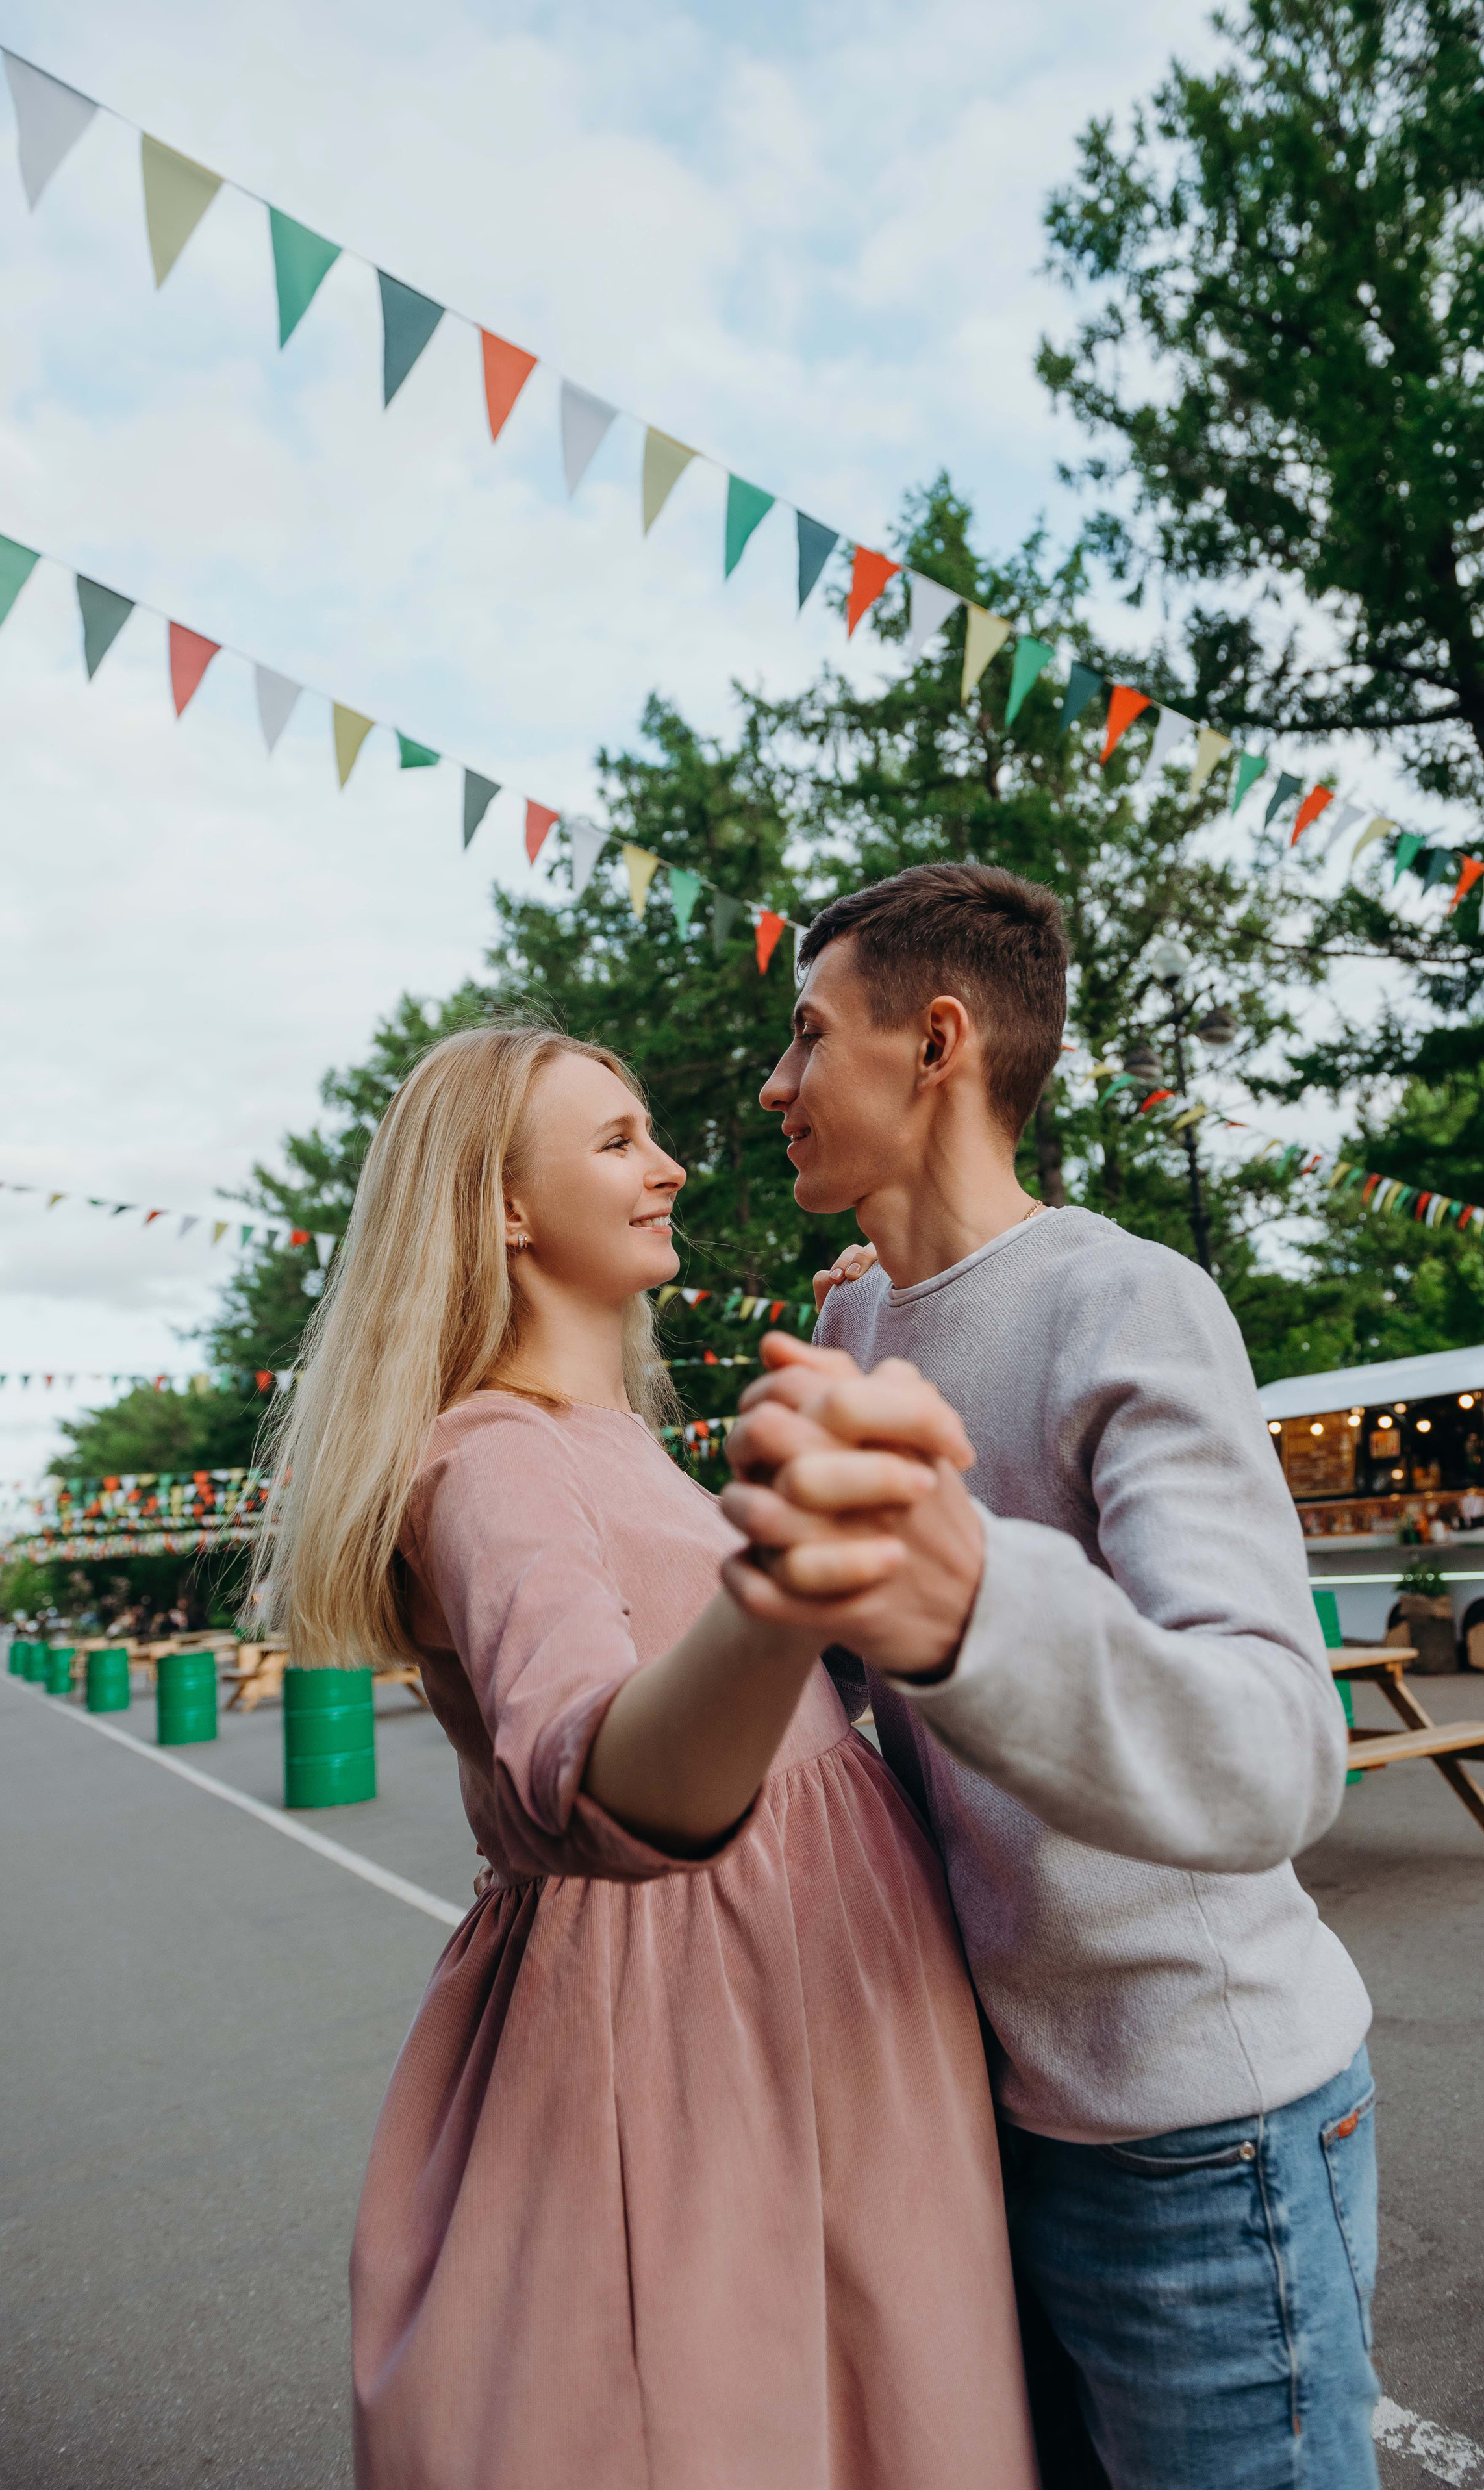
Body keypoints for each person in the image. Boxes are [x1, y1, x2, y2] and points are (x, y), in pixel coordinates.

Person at [253, 1022, 1038, 2490]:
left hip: (819, 2012)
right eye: (615, 1141)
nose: (669, 1165)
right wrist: (787, 1576)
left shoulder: (618, 1445)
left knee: (873, 2396)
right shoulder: (491, 1455)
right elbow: (589, 1773)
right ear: (499, 1202)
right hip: (693, 2034)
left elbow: (812, 1703)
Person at [729, 862, 1381, 2490]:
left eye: (808, 1038)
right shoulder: (860, 1327)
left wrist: (968, 1606)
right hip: (989, 2118)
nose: (775, 1083)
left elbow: (1282, 1751)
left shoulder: (1126, 1299)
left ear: (934, 1043)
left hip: (1203, 2133)